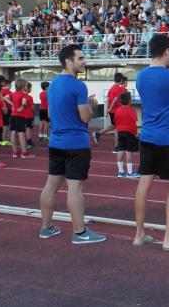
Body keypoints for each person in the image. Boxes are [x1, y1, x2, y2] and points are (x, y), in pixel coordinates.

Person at [39, 44, 105, 244]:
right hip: (76, 143)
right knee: (75, 188)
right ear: (68, 61)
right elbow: (85, 117)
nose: (84, 61)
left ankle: (46, 227)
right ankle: (79, 232)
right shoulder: (78, 85)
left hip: (56, 141)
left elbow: (52, 115)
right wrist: (91, 107)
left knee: (51, 185)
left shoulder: (52, 85)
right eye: (81, 58)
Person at [133, 34, 169, 250]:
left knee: (143, 185)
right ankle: (168, 239)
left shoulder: (140, 76)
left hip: (147, 136)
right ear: (167, 51)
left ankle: (139, 234)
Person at [92, 72, 126, 153]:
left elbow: (108, 99)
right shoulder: (118, 89)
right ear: (121, 80)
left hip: (112, 111)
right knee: (117, 129)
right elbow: (115, 100)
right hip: (116, 111)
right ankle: (116, 147)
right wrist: (110, 108)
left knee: (113, 126)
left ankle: (98, 133)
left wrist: (107, 110)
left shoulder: (111, 88)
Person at [113, 92, 140, 179]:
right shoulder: (132, 111)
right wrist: (135, 133)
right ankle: (130, 172)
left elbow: (116, 121)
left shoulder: (118, 110)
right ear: (129, 101)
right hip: (129, 132)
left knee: (120, 150)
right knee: (129, 152)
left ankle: (120, 172)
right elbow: (133, 123)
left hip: (120, 132)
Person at [10, 79, 33, 159]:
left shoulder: (13, 93)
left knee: (13, 133)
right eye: (26, 85)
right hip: (20, 116)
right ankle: (24, 152)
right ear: (24, 87)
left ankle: (15, 152)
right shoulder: (23, 95)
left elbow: (5, 98)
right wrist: (22, 107)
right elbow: (24, 103)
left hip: (13, 115)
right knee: (21, 133)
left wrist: (13, 106)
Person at [24, 83, 35, 149]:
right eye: (30, 88)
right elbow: (32, 107)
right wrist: (33, 113)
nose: (31, 89)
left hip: (22, 115)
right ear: (27, 88)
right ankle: (29, 142)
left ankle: (25, 142)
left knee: (23, 130)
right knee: (28, 129)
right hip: (29, 115)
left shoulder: (20, 95)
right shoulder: (29, 97)